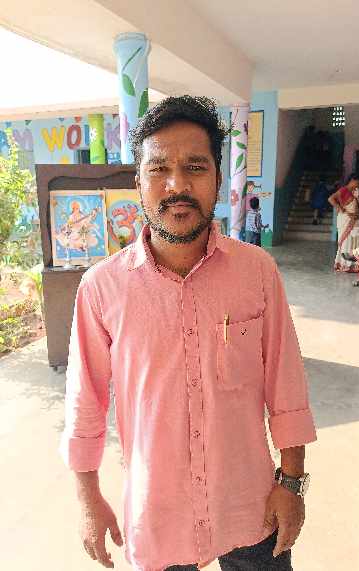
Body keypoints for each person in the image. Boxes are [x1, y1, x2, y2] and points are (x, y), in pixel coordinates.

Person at [60, 96, 317, 571]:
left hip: (252, 504)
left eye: (195, 167)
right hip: (159, 515)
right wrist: (88, 499)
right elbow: (85, 402)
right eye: (159, 169)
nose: (177, 185)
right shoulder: (101, 288)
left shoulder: (257, 272)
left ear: (218, 178)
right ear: (138, 183)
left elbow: (286, 384)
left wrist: (292, 482)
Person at [328, 173, 359, 272]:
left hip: (355, 219)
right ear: (352, 180)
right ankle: (345, 264)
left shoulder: (356, 191)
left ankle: (355, 264)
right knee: (347, 241)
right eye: (358, 182)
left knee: (357, 239)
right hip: (345, 219)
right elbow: (330, 199)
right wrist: (339, 208)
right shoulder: (344, 190)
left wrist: (358, 197)